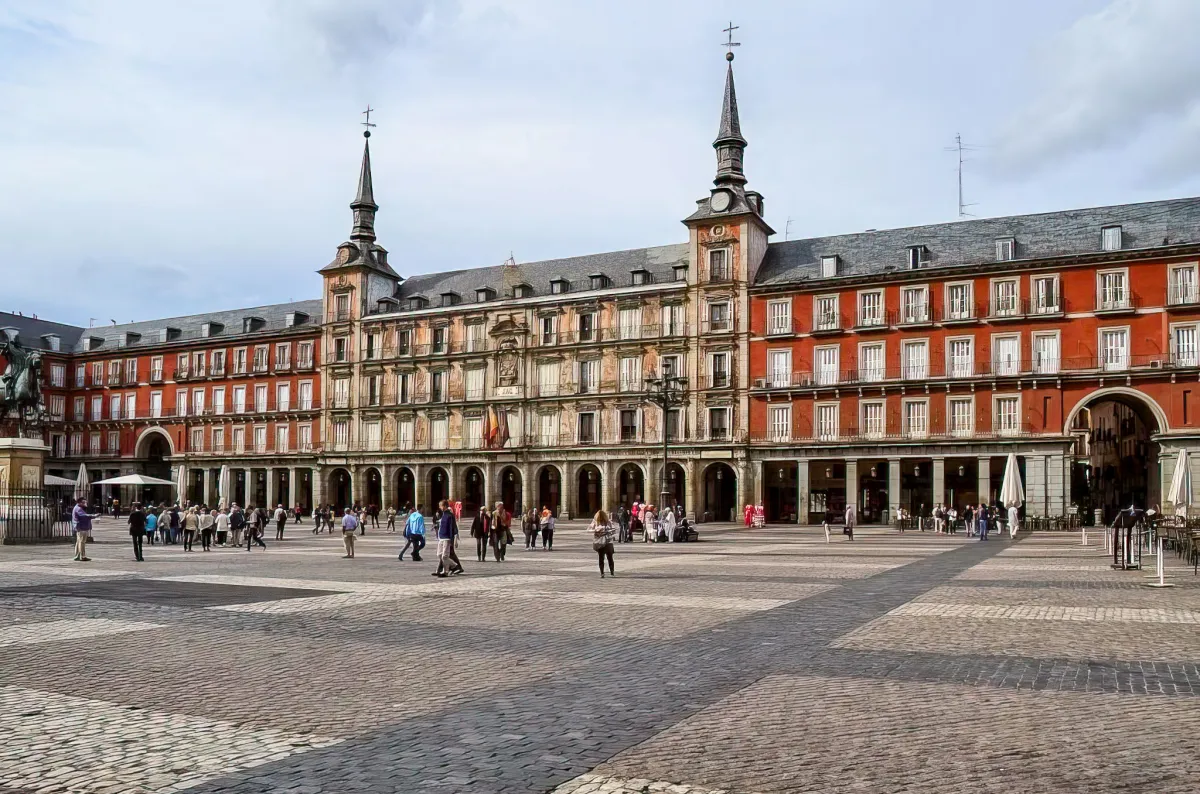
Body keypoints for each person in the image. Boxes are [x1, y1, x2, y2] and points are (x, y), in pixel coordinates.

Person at [433, 500, 464, 577]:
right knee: (439, 554)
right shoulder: (443, 515)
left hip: (447, 538)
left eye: (441, 506)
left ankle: (445, 571)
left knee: (445, 556)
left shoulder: (450, 515)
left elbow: (452, 528)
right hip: (441, 537)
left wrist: (452, 540)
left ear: (445, 506)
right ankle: (454, 565)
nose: (440, 508)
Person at [590, 509, 617, 578]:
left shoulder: (607, 522)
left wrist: (605, 530)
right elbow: (589, 529)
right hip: (604, 542)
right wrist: (597, 530)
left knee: (605, 558)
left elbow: (614, 530)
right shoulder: (596, 522)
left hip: (604, 542)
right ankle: (606, 572)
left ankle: (607, 572)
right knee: (605, 558)